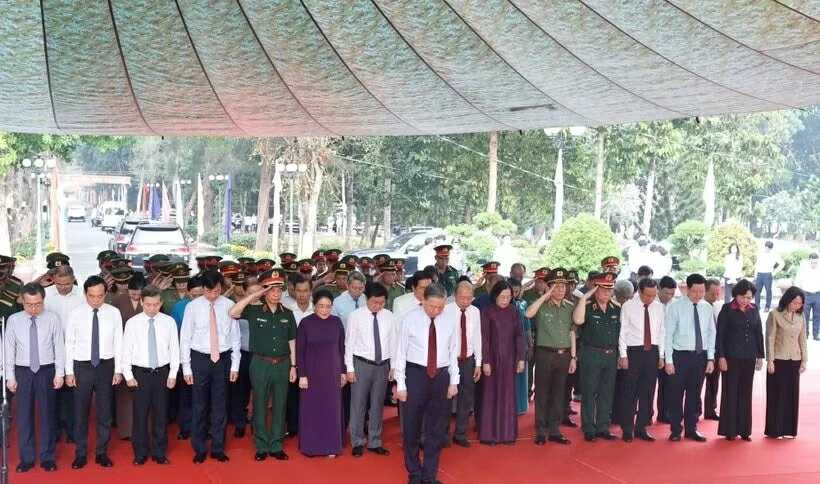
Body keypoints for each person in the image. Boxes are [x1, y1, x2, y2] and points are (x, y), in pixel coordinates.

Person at [229, 269, 296, 461]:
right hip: (259, 363)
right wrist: (253, 295)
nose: (276, 294)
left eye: (278, 290)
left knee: (280, 404)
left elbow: (292, 341)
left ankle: (275, 443)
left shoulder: (288, 314)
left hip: (283, 364)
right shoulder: (254, 310)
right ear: (265, 291)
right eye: (271, 290)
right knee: (259, 403)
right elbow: (233, 312)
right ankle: (260, 444)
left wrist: (294, 366)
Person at [394, 283, 459, 484]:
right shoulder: (410, 319)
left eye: (440, 307)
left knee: (437, 428)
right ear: (423, 300)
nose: (436, 311)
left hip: (441, 377)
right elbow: (400, 353)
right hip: (416, 374)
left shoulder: (449, 321)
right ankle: (414, 472)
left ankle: (429, 475)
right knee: (412, 426)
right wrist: (401, 384)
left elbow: (452, 352)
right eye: (432, 306)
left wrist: (454, 381)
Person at [180, 270, 240, 464]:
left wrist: (235, 364)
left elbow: (235, 337)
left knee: (220, 405)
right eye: (208, 291)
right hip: (199, 359)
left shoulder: (230, 305)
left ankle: (218, 448)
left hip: (223, 360)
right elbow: (185, 338)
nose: (213, 296)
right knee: (199, 405)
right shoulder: (193, 307)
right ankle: (199, 448)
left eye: (216, 291)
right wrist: (186, 367)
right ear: (203, 288)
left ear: (221, 288)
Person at [4, 283, 65, 473]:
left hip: (46, 370)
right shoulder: (14, 320)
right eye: (29, 304)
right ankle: (27, 458)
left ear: (43, 300)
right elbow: (9, 349)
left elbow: (59, 347)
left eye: (37, 304)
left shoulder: (52, 318)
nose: (33, 308)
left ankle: (48, 457)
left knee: (48, 415)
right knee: (24, 416)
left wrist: (59, 373)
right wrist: (10, 376)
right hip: (23, 371)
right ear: (22, 301)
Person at [64, 276, 124, 469]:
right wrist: (69, 371)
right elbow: (69, 344)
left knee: (105, 412)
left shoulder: (113, 313)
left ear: (105, 294)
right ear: (85, 294)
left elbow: (119, 342)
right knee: (80, 412)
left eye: (99, 296)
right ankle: (81, 453)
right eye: (91, 296)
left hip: (106, 366)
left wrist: (118, 369)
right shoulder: (75, 314)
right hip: (82, 367)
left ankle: (101, 452)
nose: (96, 300)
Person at [121, 285, 180, 464]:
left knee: (161, 415)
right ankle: (140, 452)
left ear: (161, 303)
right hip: (141, 374)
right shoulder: (133, 323)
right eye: (148, 305)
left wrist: (173, 373)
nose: (152, 308)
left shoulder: (168, 322)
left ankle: (159, 452)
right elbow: (126, 350)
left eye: (155, 305)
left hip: (162, 373)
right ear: (142, 302)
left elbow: (174, 350)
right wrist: (128, 375)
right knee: (140, 414)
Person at [526, 268, 576, 445]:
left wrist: (574, 357)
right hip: (544, 354)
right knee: (542, 392)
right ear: (549, 287)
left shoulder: (570, 307)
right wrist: (544, 297)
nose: (561, 290)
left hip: (564, 355)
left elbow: (572, 331)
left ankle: (554, 430)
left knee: (558, 392)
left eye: (563, 286)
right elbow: (528, 314)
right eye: (556, 286)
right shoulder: (541, 305)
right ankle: (540, 430)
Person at [664, 273, 716, 442]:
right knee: (676, 394)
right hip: (680, 356)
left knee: (694, 394)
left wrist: (710, 358)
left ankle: (691, 429)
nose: (699, 295)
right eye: (695, 291)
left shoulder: (707, 308)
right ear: (687, 289)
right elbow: (668, 335)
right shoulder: (676, 307)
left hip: (699, 356)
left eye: (702, 291)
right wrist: (669, 360)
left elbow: (711, 334)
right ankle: (675, 429)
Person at [345, 283, 395, 457]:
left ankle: (375, 441)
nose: (378, 306)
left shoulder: (389, 316)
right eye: (375, 302)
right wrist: (349, 368)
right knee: (358, 404)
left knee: (377, 405)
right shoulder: (355, 316)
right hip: (361, 364)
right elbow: (349, 343)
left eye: (382, 303)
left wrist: (393, 366)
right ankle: (357, 440)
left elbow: (393, 342)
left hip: (382, 366)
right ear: (366, 298)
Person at [297, 289, 346, 457]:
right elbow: (300, 351)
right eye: (321, 306)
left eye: (328, 307)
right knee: (312, 410)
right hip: (311, 375)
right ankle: (311, 447)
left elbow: (342, 349)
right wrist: (302, 374)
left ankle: (331, 446)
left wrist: (343, 372)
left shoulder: (337, 323)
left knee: (331, 410)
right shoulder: (305, 323)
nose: (325, 310)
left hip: (332, 373)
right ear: (314, 306)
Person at [573, 272, 620, 442]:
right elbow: (578, 321)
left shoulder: (616, 308)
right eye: (603, 290)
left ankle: (602, 426)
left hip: (610, 355)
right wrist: (586, 296)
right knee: (589, 391)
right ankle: (588, 427)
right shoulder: (587, 305)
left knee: (606, 393)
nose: (607, 294)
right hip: (591, 354)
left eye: (610, 290)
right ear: (596, 289)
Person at [477, 281, 525, 445]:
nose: (506, 300)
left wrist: (521, 358)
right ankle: (489, 435)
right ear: (495, 296)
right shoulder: (487, 312)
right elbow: (484, 338)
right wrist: (486, 361)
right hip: (492, 359)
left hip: (510, 359)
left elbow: (520, 336)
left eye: (509, 296)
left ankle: (507, 434)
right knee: (491, 395)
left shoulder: (515, 312)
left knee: (508, 396)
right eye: (502, 296)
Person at [716, 279, 764, 441]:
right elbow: (720, 335)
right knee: (730, 392)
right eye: (743, 297)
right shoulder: (727, 309)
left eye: (749, 297)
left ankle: (744, 430)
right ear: (736, 295)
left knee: (745, 393)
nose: (745, 300)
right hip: (731, 357)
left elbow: (759, 333)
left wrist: (760, 356)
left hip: (749, 357)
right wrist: (721, 356)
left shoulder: (754, 309)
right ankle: (730, 430)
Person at [618, 278, 664, 443]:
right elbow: (622, 332)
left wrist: (661, 355)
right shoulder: (628, 306)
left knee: (648, 392)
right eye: (648, 295)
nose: (651, 299)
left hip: (652, 351)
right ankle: (627, 428)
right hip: (633, 351)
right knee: (630, 391)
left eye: (654, 295)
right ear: (640, 292)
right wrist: (623, 355)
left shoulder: (659, 308)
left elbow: (661, 332)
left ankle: (641, 427)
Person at [43, 265, 84, 444]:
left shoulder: (82, 294)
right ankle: (56, 428)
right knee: (54, 391)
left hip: (75, 349)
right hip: (51, 349)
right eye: (59, 284)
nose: (63, 287)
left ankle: (73, 429)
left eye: (67, 284)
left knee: (74, 392)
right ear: (54, 280)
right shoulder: (46, 295)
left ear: (73, 279)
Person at [764, 286, 808, 439]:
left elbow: (803, 339)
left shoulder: (800, 317)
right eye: (795, 303)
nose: (797, 306)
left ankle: (789, 429)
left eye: (800, 304)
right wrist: (770, 360)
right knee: (778, 395)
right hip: (779, 359)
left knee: (792, 395)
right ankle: (775, 429)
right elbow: (770, 339)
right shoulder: (775, 315)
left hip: (794, 360)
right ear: (787, 300)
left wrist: (804, 360)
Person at [444, 281, 481, 447]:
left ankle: (460, 433)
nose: (466, 301)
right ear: (455, 295)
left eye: (469, 297)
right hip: (449, 361)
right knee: (446, 398)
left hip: (468, 360)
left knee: (466, 398)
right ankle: (443, 434)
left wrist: (478, 363)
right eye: (462, 297)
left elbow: (477, 338)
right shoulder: (446, 309)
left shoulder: (475, 312)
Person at [109, 274, 146, 441]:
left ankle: (143, 429)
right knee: (124, 392)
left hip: (145, 350)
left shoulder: (151, 300)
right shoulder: (118, 301)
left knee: (144, 390)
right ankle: (126, 430)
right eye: (133, 294)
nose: (137, 297)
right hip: (123, 349)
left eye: (140, 295)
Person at [169, 275, 202, 440]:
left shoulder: (209, 307)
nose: (196, 298)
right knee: (186, 394)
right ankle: (186, 427)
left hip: (205, 355)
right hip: (185, 355)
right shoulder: (179, 307)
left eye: (200, 295)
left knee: (203, 394)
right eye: (193, 295)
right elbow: (175, 334)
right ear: (187, 293)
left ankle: (203, 426)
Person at [654, 276, 678, 424]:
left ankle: (665, 413)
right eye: (666, 293)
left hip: (670, 349)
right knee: (649, 385)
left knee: (669, 384)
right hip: (653, 348)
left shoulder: (676, 305)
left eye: (672, 294)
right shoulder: (651, 303)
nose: (669, 296)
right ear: (659, 290)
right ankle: (646, 414)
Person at [508, 278, 532, 415]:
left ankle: (520, 407)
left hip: (521, 344)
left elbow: (527, 325)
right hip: (507, 347)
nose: (515, 294)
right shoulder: (503, 304)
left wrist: (530, 345)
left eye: (517, 291)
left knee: (521, 377)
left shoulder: (523, 304)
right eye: (513, 291)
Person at [702, 279, 722, 421]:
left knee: (714, 381)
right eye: (713, 294)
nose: (716, 297)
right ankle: (694, 411)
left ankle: (710, 410)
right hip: (700, 349)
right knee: (696, 383)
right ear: (705, 291)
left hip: (715, 350)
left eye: (718, 293)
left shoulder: (717, 307)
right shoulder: (698, 307)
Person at [793, 252, 820, 340]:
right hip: (806, 295)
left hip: (817, 294)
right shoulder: (803, 269)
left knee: (817, 315)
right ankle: (805, 334)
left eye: (816, 262)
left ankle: (816, 334)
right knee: (805, 316)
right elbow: (797, 281)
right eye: (812, 262)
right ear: (809, 261)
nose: (814, 264)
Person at [753, 241, 783, 312]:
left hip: (768, 274)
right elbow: (757, 265)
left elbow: (782, 263)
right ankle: (757, 306)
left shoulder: (774, 255)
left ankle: (767, 306)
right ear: (765, 246)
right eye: (766, 247)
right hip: (760, 274)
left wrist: (774, 272)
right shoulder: (760, 254)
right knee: (757, 291)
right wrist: (755, 275)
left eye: (769, 248)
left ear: (771, 248)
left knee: (768, 291)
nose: (767, 249)